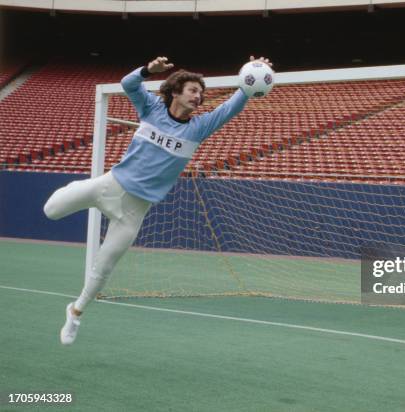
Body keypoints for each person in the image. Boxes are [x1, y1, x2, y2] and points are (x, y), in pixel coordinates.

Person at [44, 56, 273, 345]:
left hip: (134, 211)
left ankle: (75, 312)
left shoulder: (198, 128)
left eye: (200, 93)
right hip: (108, 187)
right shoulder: (151, 108)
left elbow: (232, 106)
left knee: (104, 268)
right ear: (175, 91)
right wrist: (147, 71)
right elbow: (129, 84)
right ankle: (80, 185)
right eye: (192, 90)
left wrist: (249, 77)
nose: (198, 96)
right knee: (51, 210)